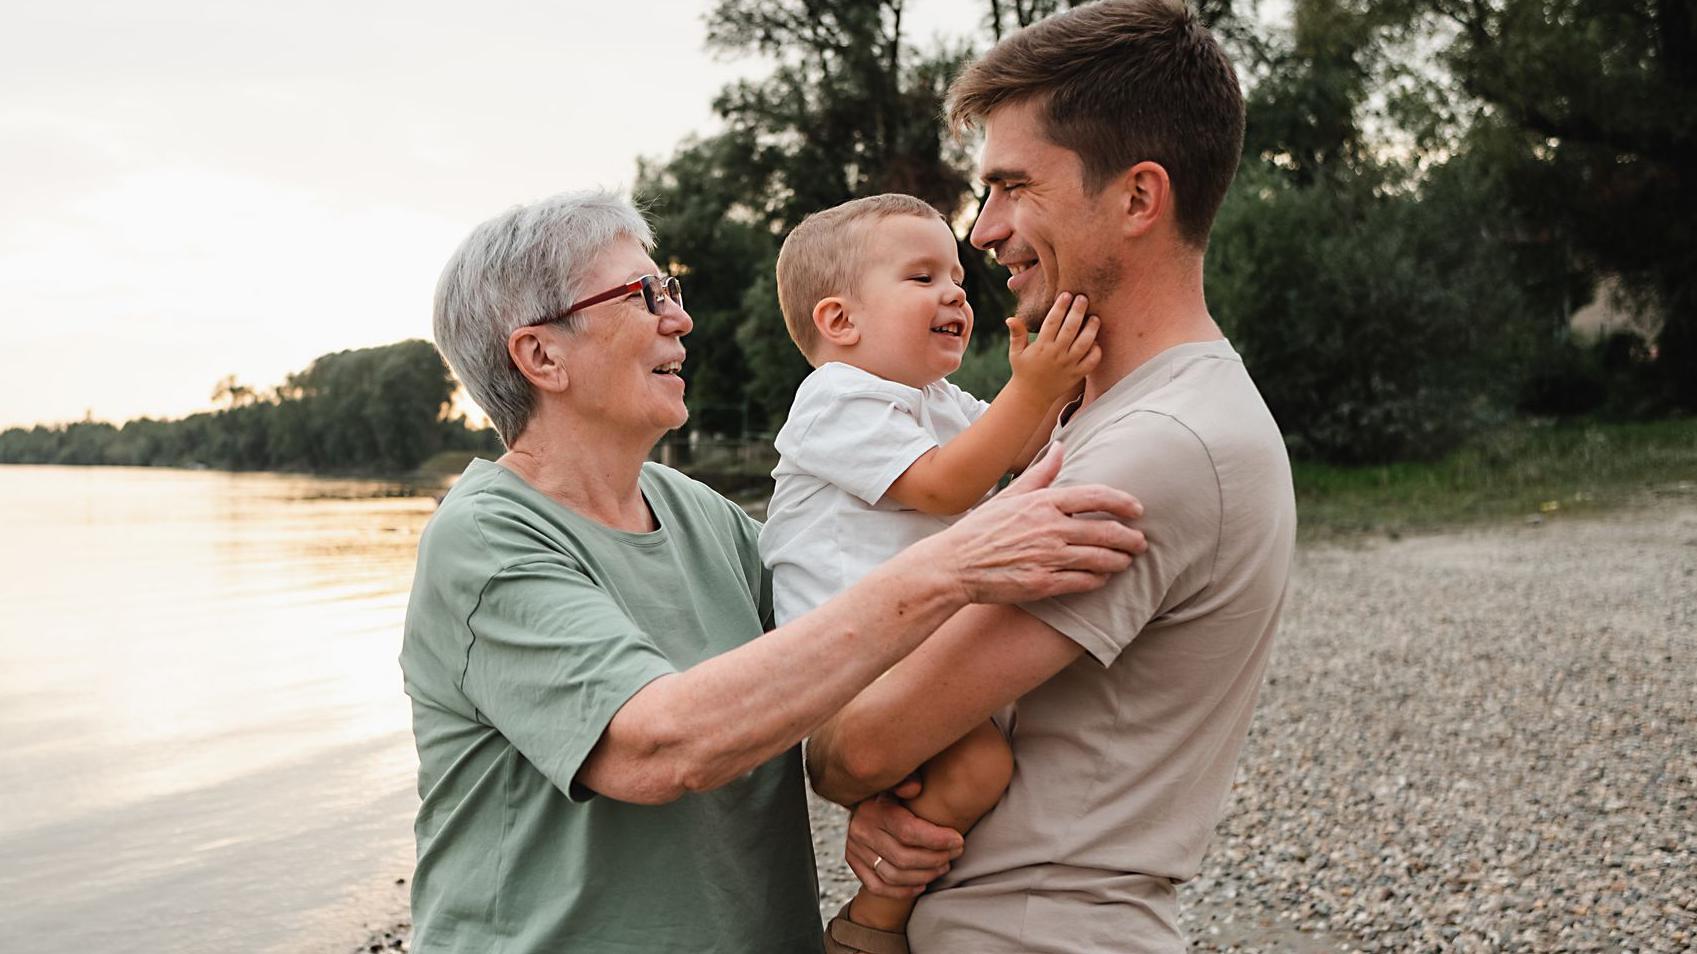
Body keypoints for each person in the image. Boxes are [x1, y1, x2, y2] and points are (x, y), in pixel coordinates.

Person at [397, 190, 1149, 953]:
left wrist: (893, 791)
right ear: (541, 356)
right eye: (642, 294)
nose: (679, 317)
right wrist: (950, 568)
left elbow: (818, 667)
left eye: (672, 291)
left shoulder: (698, 514)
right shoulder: (486, 539)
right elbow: (658, 748)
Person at [805, 2, 1298, 952]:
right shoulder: (1107, 414)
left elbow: (857, 745)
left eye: (1011, 187)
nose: (982, 231)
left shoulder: (1162, 444)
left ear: (1138, 198)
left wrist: (863, 768)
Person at [759, 192, 1100, 950]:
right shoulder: (834, 400)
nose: (953, 290)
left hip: (909, 649)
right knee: (979, 767)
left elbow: (1014, 451)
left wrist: (1046, 393)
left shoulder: (935, 399)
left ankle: (926, 896)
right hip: (851, 668)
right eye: (920, 278)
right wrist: (1033, 391)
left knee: (984, 761)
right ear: (839, 321)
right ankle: (870, 923)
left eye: (953, 274)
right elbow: (946, 484)